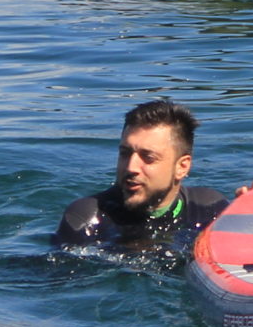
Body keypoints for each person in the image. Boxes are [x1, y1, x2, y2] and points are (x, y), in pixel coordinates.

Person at [52, 98, 233, 256]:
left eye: (148, 157)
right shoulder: (87, 218)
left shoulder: (210, 210)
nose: (131, 167)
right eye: (125, 153)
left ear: (181, 167)